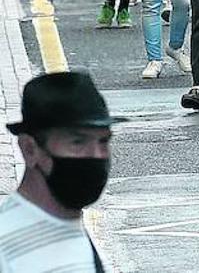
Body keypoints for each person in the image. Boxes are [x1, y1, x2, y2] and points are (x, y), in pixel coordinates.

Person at [0, 72, 117, 272]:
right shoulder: (6, 244)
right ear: (30, 149)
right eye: (77, 142)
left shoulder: (69, 225)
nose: (96, 155)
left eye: (103, 141)